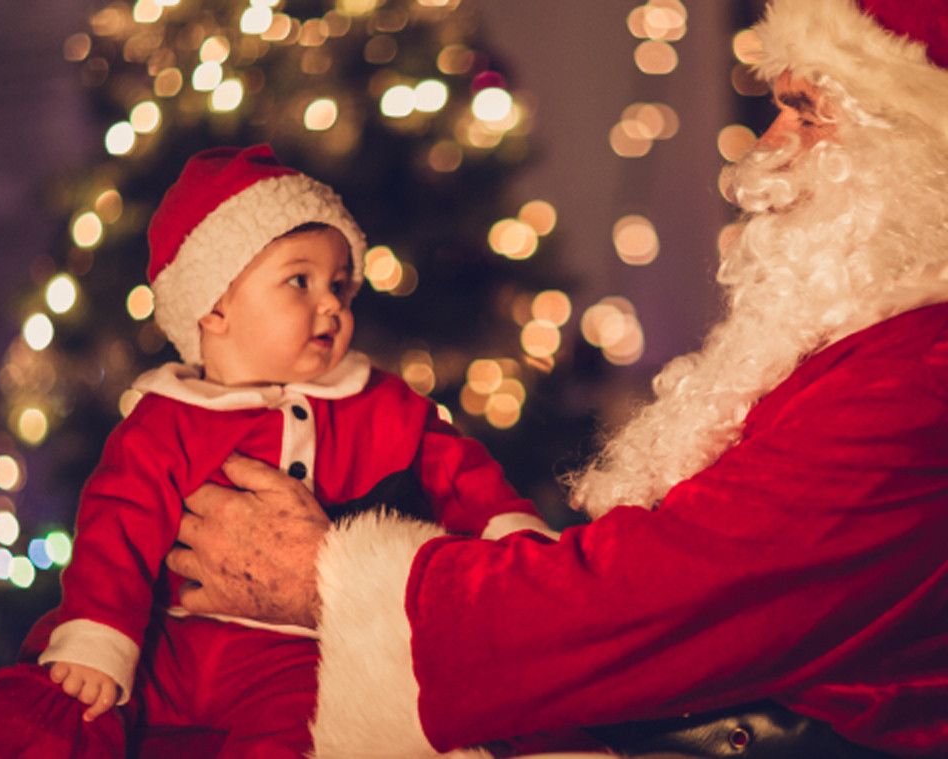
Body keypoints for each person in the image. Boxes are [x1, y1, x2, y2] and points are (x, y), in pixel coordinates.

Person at [161, 0, 948, 756]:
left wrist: (327, 576)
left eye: (806, 111)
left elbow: (662, 598)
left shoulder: (919, 374)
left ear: (910, 139)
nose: (769, 144)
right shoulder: (868, 333)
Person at [0, 144, 555, 758]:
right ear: (214, 305)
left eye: (340, 285)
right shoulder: (166, 418)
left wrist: (513, 537)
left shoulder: (375, 401)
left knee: (306, 720)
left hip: (289, 647)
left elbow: (457, 471)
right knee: (84, 687)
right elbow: (116, 527)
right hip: (169, 632)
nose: (332, 303)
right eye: (300, 280)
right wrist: (100, 638)